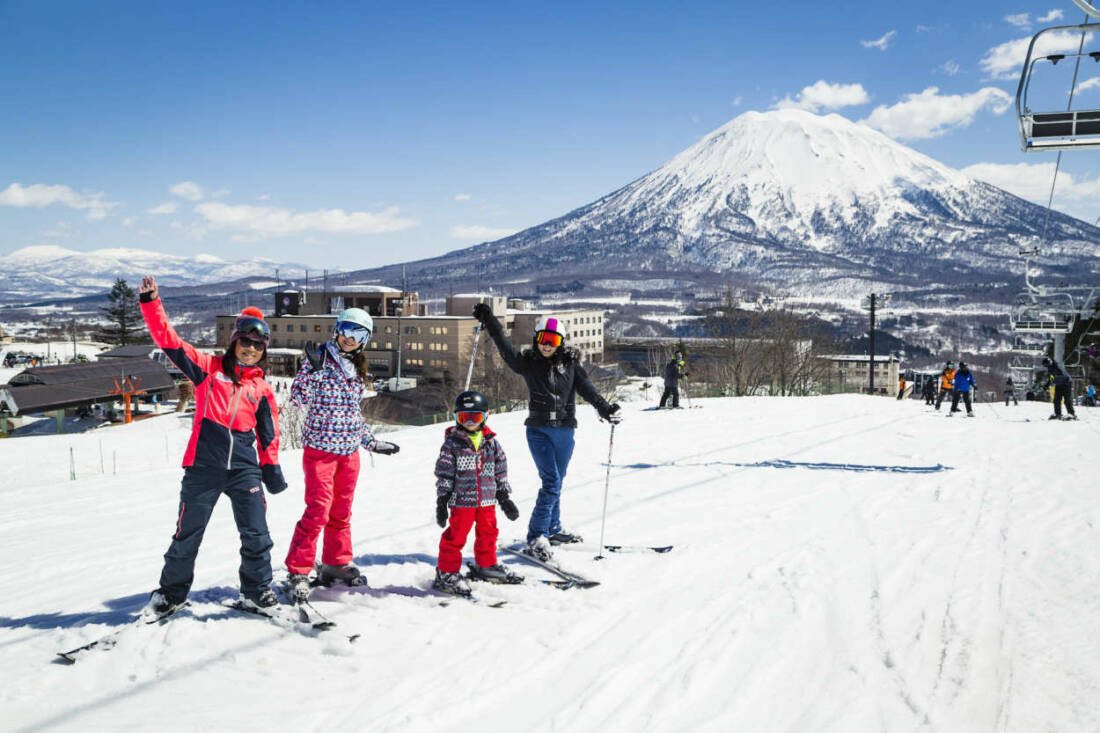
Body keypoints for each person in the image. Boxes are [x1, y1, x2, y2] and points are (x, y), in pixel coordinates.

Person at [137, 275, 286, 616]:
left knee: (257, 535)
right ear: (235, 341)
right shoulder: (207, 370)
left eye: (258, 346)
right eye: (246, 342)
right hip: (204, 467)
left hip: (244, 471)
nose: (251, 349)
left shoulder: (261, 389)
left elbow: (269, 433)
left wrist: (271, 467)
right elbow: (169, 341)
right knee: (187, 535)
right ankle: (171, 594)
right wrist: (151, 303)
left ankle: (256, 590)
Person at [473, 304, 621, 561]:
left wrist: (606, 409)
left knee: (557, 481)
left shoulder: (572, 366)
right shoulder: (529, 364)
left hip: (564, 431)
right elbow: (506, 349)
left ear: (561, 342)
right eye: (543, 339)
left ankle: (553, 528)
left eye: (552, 340)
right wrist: (491, 322)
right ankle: (536, 536)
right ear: (537, 340)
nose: (546, 345)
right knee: (551, 482)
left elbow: (588, 390)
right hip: (539, 431)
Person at [283, 308, 400, 602]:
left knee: (341, 512)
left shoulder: (356, 368)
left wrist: (370, 443)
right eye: (346, 330)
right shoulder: (320, 359)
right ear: (336, 329)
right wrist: (313, 369)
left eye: (358, 333)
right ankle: (298, 569)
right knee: (318, 511)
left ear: (366, 339)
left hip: (348, 452)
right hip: (321, 450)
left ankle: (336, 563)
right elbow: (297, 398)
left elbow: (352, 415)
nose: (349, 338)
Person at [432, 390, 522, 596]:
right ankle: (447, 572)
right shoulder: (452, 444)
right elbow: (444, 473)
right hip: (462, 501)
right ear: (457, 418)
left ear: (486, 416)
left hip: (487, 501)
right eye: (464, 417)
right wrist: (442, 499)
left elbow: (500, 470)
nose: (470, 422)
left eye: (476, 417)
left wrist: (504, 496)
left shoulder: (491, 442)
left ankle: (486, 565)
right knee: (456, 536)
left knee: (489, 533)